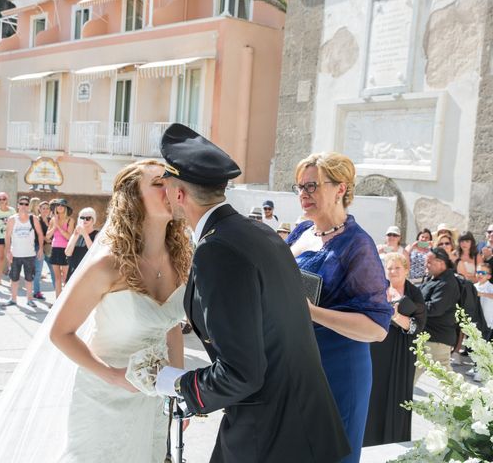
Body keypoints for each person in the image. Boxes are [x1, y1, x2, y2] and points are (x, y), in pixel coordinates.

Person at [0, 160, 192, 462]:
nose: (169, 189)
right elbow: (61, 333)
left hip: (152, 398)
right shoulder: (107, 265)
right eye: (157, 183)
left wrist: (178, 390)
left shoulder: (179, 261)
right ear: (134, 198)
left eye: (171, 181)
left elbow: (172, 328)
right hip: (104, 396)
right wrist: (113, 376)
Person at [156, 125, 350, 462]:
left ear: (179, 194)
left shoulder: (217, 249)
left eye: (166, 186)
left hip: (270, 436)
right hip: (304, 425)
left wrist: (181, 385)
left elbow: (242, 371)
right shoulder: (259, 232)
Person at [286, 151, 392, 463]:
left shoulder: (358, 245)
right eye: (300, 187)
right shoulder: (301, 232)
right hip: (299, 365)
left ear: (341, 189)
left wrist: (310, 312)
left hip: (339, 372)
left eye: (312, 186)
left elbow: (377, 329)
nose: (304, 195)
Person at [364, 252, 426, 446]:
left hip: (401, 350)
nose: (393, 271)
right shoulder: (379, 288)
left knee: (397, 394)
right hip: (376, 347)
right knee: (374, 391)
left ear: (406, 270)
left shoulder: (414, 293)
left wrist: (395, 316)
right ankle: (369, 439)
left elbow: (417, 326)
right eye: (389, 268)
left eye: (397, 268)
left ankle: (394, 440)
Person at [415, 248, 460, 382]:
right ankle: (400, 400)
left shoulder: (447, 283)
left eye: (429, 262)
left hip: (437, 340)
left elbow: (435, 308)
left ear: (441, 263)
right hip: (427, 336)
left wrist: (411, 306)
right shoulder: (433, 279)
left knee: (449, 382)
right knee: (410, 374)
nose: (425, 265)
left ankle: (467, 401)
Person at [1, 196, 44, 309]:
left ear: (28, 206)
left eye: (26, 204)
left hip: (30, 254)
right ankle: (13, 299)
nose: (24, 206)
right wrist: (7, 251)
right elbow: (7, 236)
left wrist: (40, 248)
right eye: (22, 203)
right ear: (18, 205)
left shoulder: (33, 218)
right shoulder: (12, 219)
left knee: (29, 278)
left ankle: (29, 299)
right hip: (16, 254)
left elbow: (40, 234)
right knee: (14, 278)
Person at [46, 198, 74, 297]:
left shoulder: (70, 220)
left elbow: (69, 237)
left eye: (62, 205)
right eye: (58, 205)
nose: (60, 207)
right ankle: (57, 301)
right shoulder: (53, 219)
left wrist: (58, 226)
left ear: (65, 208)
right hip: (55, 249)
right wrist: (54, 226)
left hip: (66, 250)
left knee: (66, 277)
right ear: (55, 208)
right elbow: (47, 236)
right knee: (57, 278)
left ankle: (65, 301)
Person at [64, 207, 99, 283]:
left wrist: (85, 234)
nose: (84, 220)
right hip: (73, 271)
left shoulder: (97, 234)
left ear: (93, 220)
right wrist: (75, 236)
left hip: (87, 272)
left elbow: (93, 252)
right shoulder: (76, 233)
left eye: (88, 218)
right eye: (82, 217)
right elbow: (67, 253)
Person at [32, 200, 55, 300]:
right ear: (39, 209)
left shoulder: (52, 220)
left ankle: (58, 291)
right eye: (43, 208)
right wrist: (46, 239)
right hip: (39, 247)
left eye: (47, 208)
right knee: (38, 271)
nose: (45, 210)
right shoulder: (37, 220)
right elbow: (38, 234)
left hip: (50, 248)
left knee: (54, 271)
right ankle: (36, 292)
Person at [475, 262, 493, 341]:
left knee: (483, 345)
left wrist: (481, 294)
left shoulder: (490, 287)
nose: (480, 275)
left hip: (487, 323)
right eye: (478, 272)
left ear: (489, 276)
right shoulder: (474, 286)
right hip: (475, 321)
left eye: (483, 273)